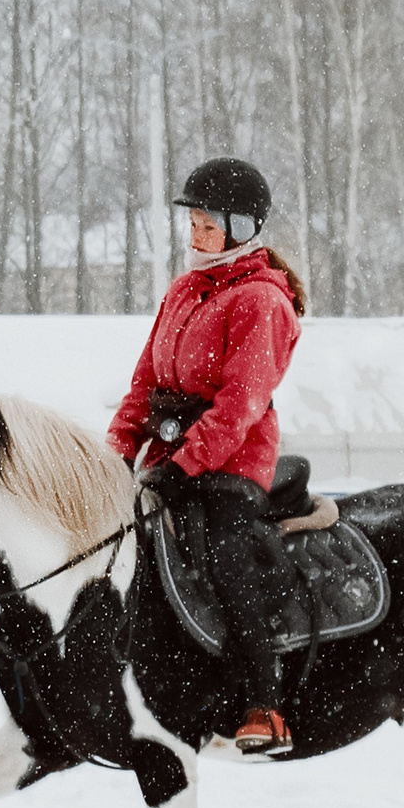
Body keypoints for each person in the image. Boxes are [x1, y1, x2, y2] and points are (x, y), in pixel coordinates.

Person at [108, 156, 308, 758]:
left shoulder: (262, 302)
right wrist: (115, 455)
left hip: (230, 465)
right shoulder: (183, 290)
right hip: (172, 458)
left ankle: (263, 703)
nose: (195, 235)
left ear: (241, 228)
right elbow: (143, 385)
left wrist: (184, 466)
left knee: (224, 557)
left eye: (206, 225)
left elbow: (239, 404)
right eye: (192, 223)